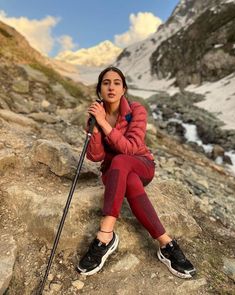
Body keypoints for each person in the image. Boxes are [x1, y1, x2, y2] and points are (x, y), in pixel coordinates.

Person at [77, 66, 196, 279]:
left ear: (124, 89)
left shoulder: (137, 110)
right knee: (127, 177)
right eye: (106, 83)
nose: (111, 87)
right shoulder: (96, 116)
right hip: (114, 172)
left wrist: (104, 123)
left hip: (142, 165)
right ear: (99, 89)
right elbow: (95, 157)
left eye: (116, 83)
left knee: (124, 160)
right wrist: (94, 129)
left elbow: (131, 148)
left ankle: (105, 236)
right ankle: (166, 244)